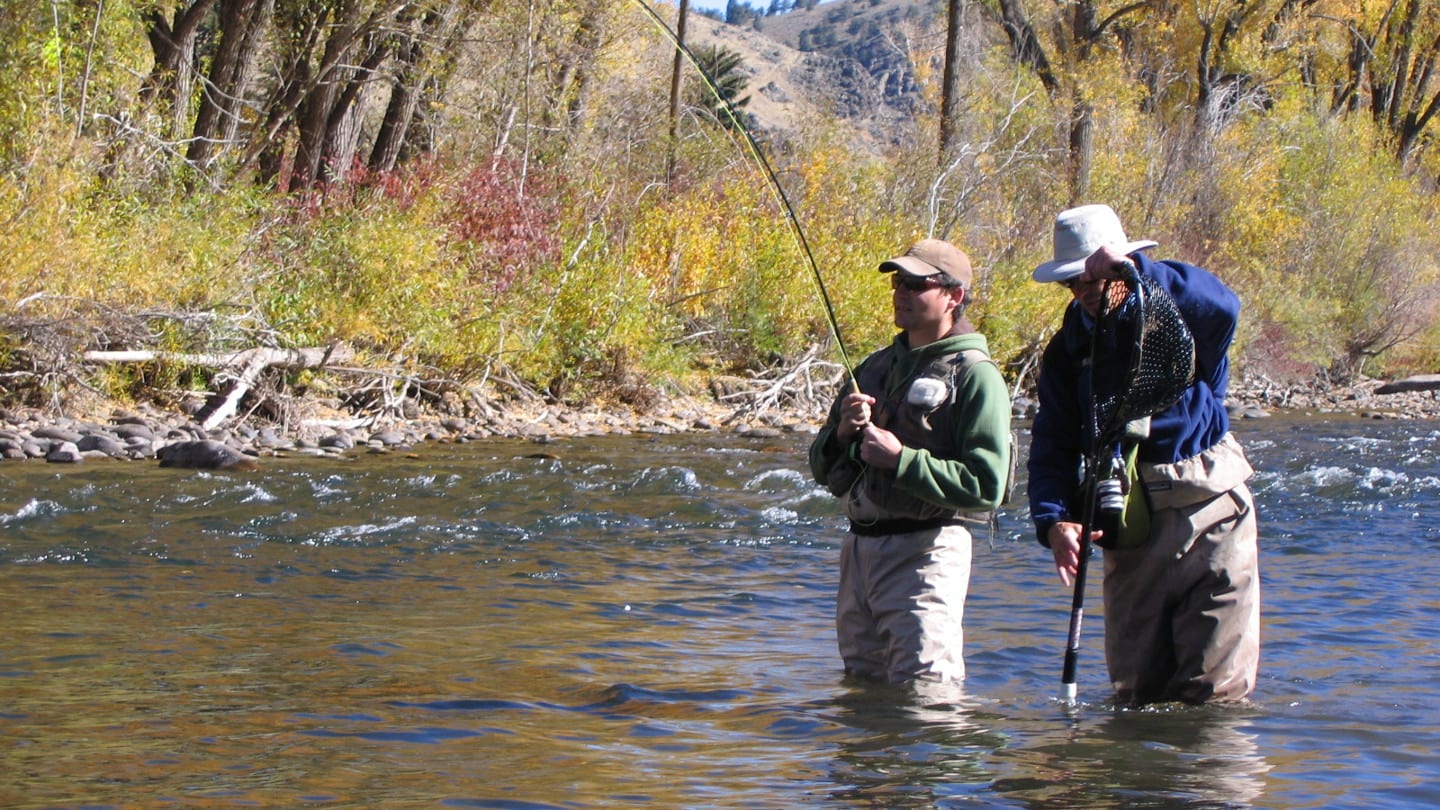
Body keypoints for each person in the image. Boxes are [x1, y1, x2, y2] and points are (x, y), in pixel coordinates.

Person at [1027, 204, 1260, 705]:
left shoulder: (1182, 312)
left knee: (1213, 700)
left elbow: (1225, 307)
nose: (1086, 292)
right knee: (1138, 696)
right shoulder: (1066, 352)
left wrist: (1138, 273)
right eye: (1075, 283)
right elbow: (1053, 444)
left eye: (1095, 278)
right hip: (1130, 522)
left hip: (1212, 514)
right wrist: (1054, 520)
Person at [809, 238, 1012, 684]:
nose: (901, 292)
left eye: (916, 284)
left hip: (928, 553)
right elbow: (824, 471)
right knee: (861, 690)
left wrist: (901, 459)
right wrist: (841, 432)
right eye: (898, 282)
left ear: (953, 296)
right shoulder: (874, 367)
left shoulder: (977, 375)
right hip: (859, 553)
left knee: (927, 694)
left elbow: (987, 486)